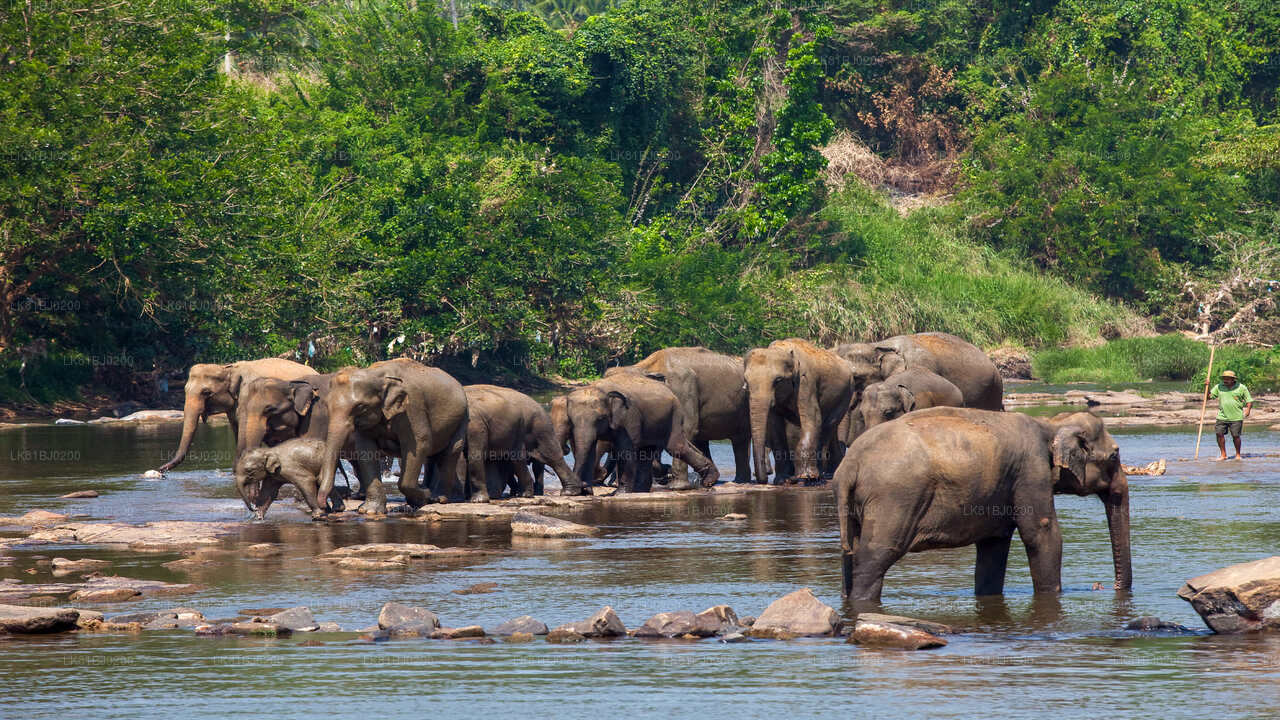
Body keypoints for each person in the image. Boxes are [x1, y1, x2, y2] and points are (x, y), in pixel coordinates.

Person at [1210, 370, 1253, 461]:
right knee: (1219, 434)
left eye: (1227, 379)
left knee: (1235, 436)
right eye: (1224, 378)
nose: (1225, 380)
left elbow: (1249, 400)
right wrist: (1206, 386)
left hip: (1236, 417)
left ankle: (1238, 455)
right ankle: (1223, 454)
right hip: (1222, 416)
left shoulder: (1241, 387)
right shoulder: (1219, 387)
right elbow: (1209, 396)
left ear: (1233, 379)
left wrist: (1248, 410)